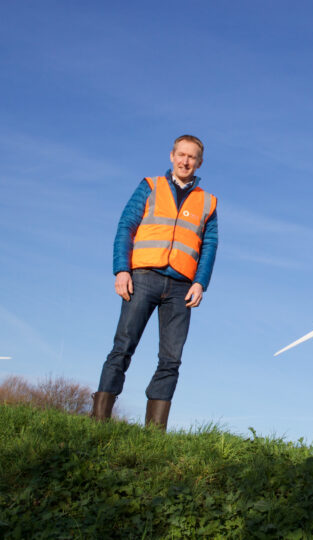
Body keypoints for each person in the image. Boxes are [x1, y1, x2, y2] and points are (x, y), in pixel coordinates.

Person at [91, 134, 218, 431]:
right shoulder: (150, 186)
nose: (186, 161)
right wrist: (121, 270)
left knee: (171, 359)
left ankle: (154, 431)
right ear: (172, 156)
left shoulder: (208, 203)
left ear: (199, 162)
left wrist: (200, 283)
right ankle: (98, 421)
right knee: (122, 347)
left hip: (180, 288)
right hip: (143, 277)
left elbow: (210, 246)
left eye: (192, 157)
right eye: (181, 155)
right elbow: (126, 226)